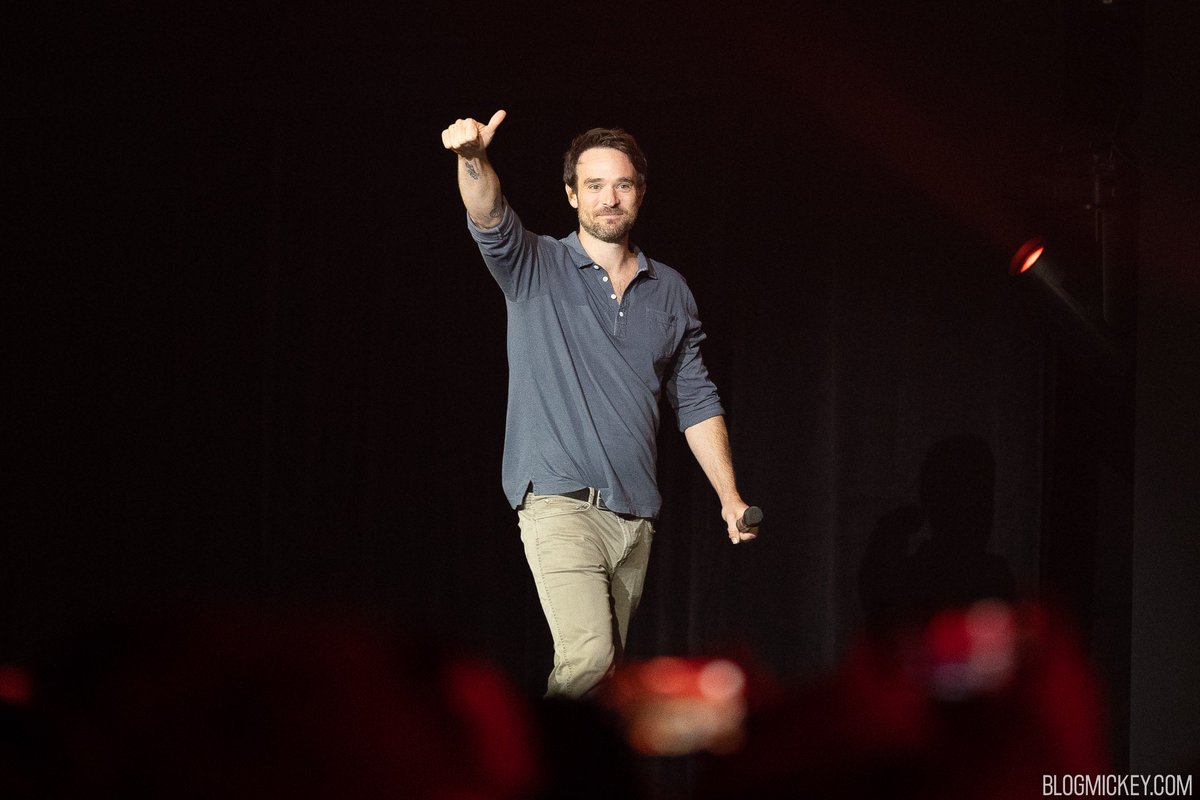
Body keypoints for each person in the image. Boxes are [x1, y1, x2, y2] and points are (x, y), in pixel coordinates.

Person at [441, 110, 758, 698]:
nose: (609, 198)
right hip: (559, 504)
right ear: (571, 196)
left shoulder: (671, 290)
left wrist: (729, 496)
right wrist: (472, 158)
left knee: (605, 682)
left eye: (622, 184)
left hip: (635, 517)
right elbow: (487, 215)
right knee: (588, 659)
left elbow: (695, 398)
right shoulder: (535, 264)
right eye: (594, 185)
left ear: (639, 193)